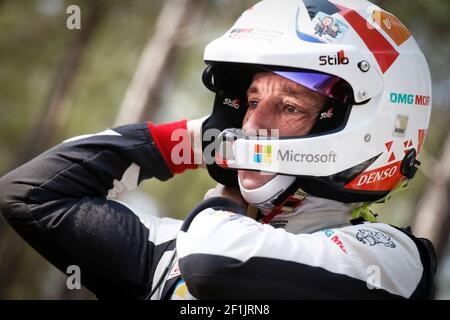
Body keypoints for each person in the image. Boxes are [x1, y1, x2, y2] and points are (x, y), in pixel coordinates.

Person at [0, 0, 436, 299]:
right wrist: (200, 138)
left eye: (287, 106)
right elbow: (28, 192)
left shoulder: (389, 258)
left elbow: (217, 263)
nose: (252, 125)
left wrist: (223, 200)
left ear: (368, 124)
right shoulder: (181, 243)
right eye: (249, 102)